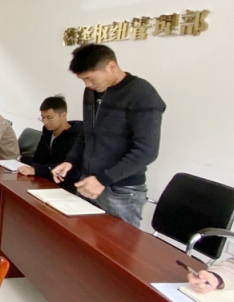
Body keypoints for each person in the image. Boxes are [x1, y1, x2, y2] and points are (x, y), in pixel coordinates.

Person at [51, 44, 166, 228]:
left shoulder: (142, 94)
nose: (87, 85)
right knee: (82, 238)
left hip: (120, 191)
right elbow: (88, 132)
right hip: (89, 181)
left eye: (90, 78)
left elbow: (147, 151)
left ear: (111, 66)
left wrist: (103, 180)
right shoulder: (93, 91)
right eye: (83, 80)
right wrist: (70, 160)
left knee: (117, 244)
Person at [17, 96, 82, 193]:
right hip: (43, 180)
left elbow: (70, 171)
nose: (45, 122)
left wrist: (38, 170)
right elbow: (38, 159)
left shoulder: (77, 137)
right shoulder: (47, 132)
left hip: (64, 187)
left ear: (63, 115)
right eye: (43, 118)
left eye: (49, 118)